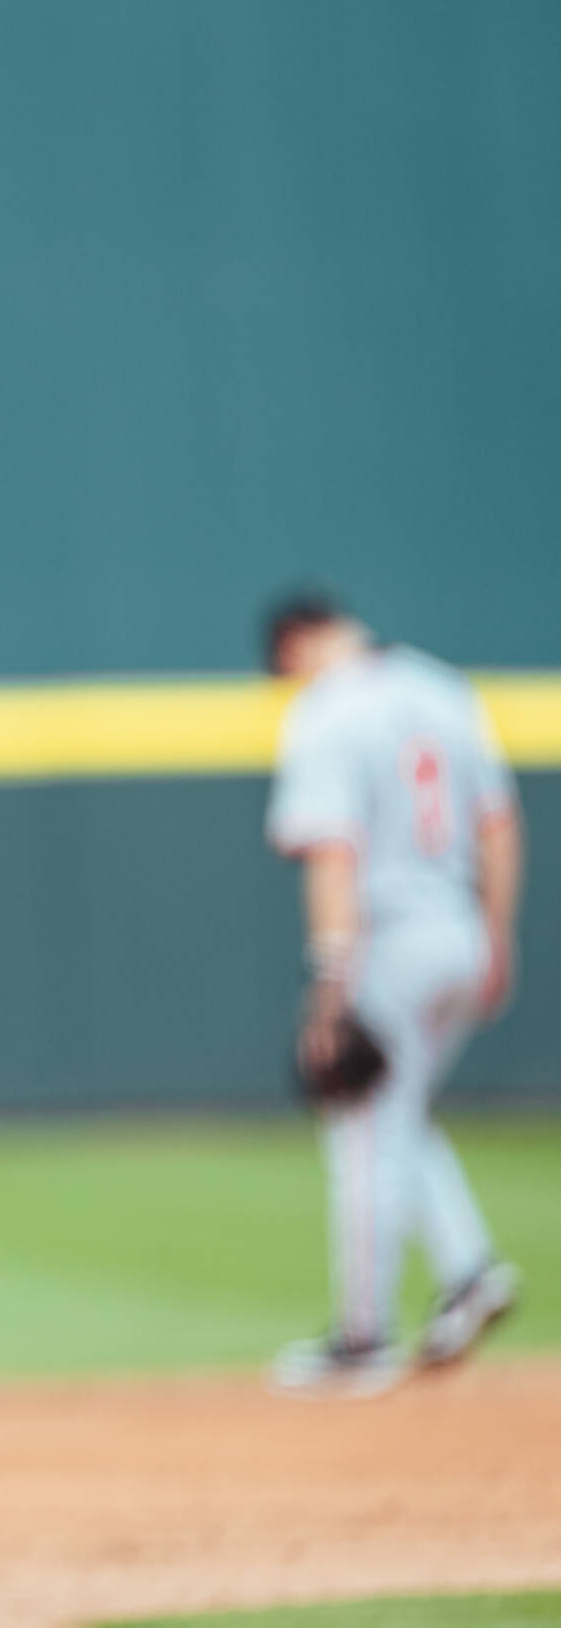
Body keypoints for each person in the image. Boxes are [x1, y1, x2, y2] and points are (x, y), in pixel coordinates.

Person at [262, 591, 525, 1399]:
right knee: (397, 1112)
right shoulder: (444, 688)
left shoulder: (327, 713)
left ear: (296, 646)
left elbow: (334, 853)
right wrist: (496, 936)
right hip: (459, 927)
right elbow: (499, 823)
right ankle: (470, 1271)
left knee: (363, 1128)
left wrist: (330, 988)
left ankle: (362, 1337)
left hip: (390, 943)